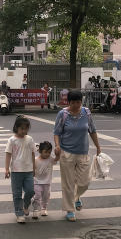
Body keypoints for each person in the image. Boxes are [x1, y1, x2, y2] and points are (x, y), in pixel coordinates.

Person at [53, 90, 103, 221]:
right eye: (73, 102)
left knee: (84, 182)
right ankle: (70, 210)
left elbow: (92, 130)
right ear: (68, 102)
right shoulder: (63, 114)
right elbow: (57, 132)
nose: (76, 105)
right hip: (66, 153)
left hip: (83, 152)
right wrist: (57, 145)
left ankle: (76, 197)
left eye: (78, 102)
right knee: (68, 183)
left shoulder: (86, 113)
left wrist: (98, 147)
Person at [5, 116, 37, 223]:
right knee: (17, 194)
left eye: (26, 128)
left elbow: (33, 153)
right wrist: (6, 169)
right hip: (16, 171)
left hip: (28, 171)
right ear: (16, 128)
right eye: (22, 128)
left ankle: (26, 205)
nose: (24, 131)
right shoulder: (12, 140)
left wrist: (34, 167)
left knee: (30, 191)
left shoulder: (30, 139)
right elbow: (8, 155)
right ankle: (19, 213)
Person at [33, 141, 54, 217]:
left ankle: (44, 208)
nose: (47, 154)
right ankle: (35, 209)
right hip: (37, 182)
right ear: (40, 151)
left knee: (46, 196)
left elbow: (56, 160)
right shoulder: (35, 160)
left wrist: (58, 154)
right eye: (45, 152)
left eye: (49, 152)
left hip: (47, 182)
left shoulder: (50, 159)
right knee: (37, 195)